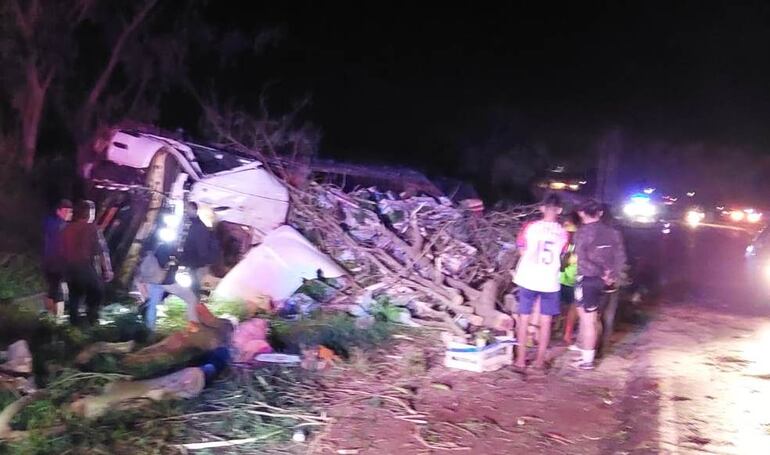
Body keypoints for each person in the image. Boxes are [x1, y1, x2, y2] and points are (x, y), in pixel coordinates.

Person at [513, 194, 569, 371]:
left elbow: (521, 250)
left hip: (528, 277)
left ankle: (520, 360)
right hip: (549, 280)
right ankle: (539, 361)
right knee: (546, 321)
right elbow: (563, 255)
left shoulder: (530, 227)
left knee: (524, 318)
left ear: (542, 208)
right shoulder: (564, 233)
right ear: (560, 210)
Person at [573, 199, 626, 370]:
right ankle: (589, 353)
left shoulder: (582, 233)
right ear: (600, 213)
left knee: (588, 320)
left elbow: (582, 259)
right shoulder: (613, 233)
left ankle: (587, 360)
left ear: (581, 213)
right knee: (596, 318)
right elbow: (620, 257)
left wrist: (601, 272)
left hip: (588, 279)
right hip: (608, 282)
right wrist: (611, 275)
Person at [60, 200, 113, 326]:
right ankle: (92, 321)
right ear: (89, 213)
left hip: (69, 268)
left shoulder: (66, 229)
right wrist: (107, 269)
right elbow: (102, 251)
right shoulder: (92, 229)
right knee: (97, 291)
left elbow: (60, 250)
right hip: (85, 266)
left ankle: (73, 325)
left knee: (74, 295)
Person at [136, 239, 199, 331]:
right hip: (166, 282)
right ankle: (193, 325)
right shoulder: (168, 249)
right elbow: (167, 264)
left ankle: (149, 330)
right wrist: (175, 261)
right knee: (191, 299)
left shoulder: (157, 248)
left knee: (152, 306)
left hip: (153, 281)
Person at [180, 201, 220, 296]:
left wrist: (200, 260)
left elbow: (201, 246)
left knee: (194, 284)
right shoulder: (195, 224)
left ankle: (198, 296)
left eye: (188, 209)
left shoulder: (199, 226)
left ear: (194, 210)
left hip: (195, 261)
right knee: (194, 283)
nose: (186, 211)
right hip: (194, 261)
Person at [42, 199, 72, 316]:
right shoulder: (63, 226)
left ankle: (50, 317)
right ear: (58, 211)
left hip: (48, 262)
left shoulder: (49, 222)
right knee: (59, 291)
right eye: (66, 211)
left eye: (70, 212)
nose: (69, 214)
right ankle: (58, 319)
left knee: (53, 289)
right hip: (58, 263)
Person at [560, 218, 579, 345]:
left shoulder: (577, 245)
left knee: (573, 307)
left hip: (572, 280)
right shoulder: (562, 243)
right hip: (560, 279)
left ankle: (567, 333)